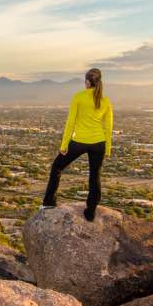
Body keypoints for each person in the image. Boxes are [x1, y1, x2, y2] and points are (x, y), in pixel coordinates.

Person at [42, 68, 113, 221]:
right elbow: (108, 126)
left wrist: (64, 144)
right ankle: (91, 210)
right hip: (98, 143)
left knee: (57, 167)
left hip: (79, 141)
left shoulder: (78, 97)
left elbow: (70, 122)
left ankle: (49, 202)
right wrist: (107, 148)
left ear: (87, 82)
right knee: (95, 176)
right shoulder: (105, 100)